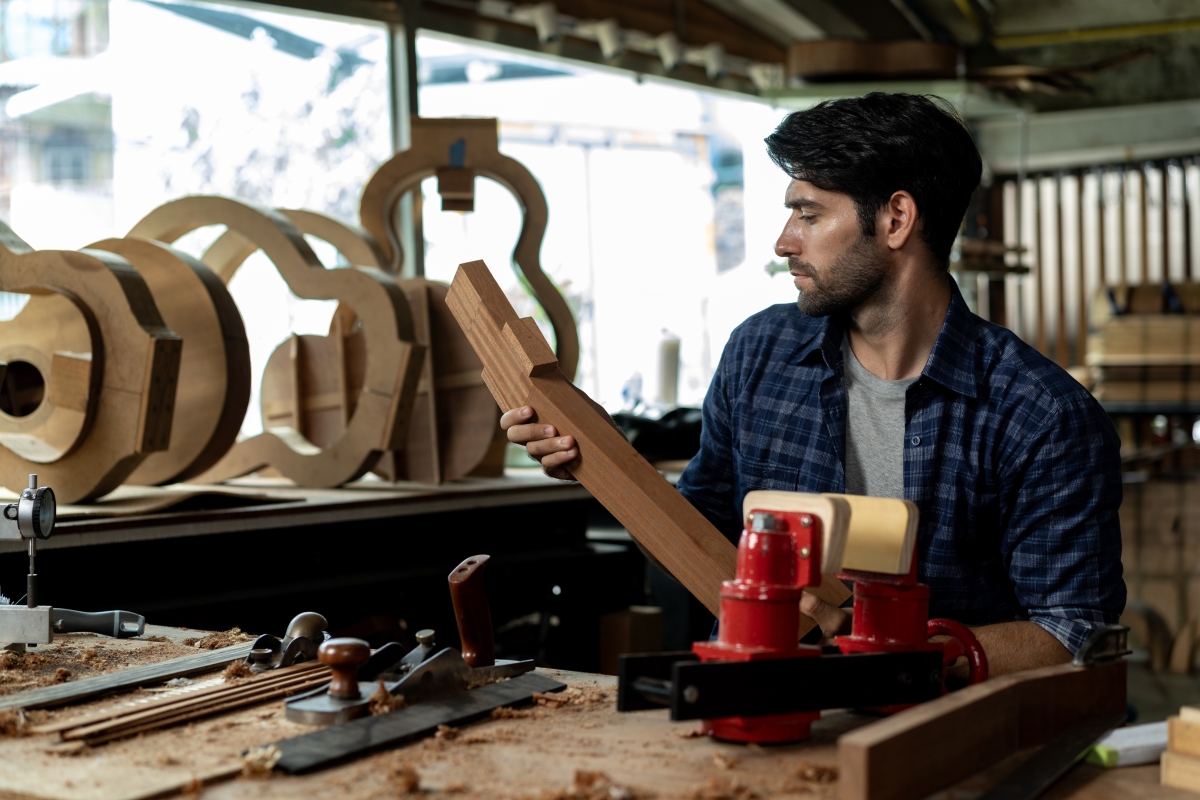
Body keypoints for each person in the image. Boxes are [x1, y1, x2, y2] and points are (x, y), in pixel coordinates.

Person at [502, 92, 1124, 677]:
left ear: (896, 219)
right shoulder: (761, 354)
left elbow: (1076, 631)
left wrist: (892, 653)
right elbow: (704, 529)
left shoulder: (1042, 416)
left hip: (936, 742)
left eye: (809, 213)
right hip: (759, 716)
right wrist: (604, 457)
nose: (783, 242)